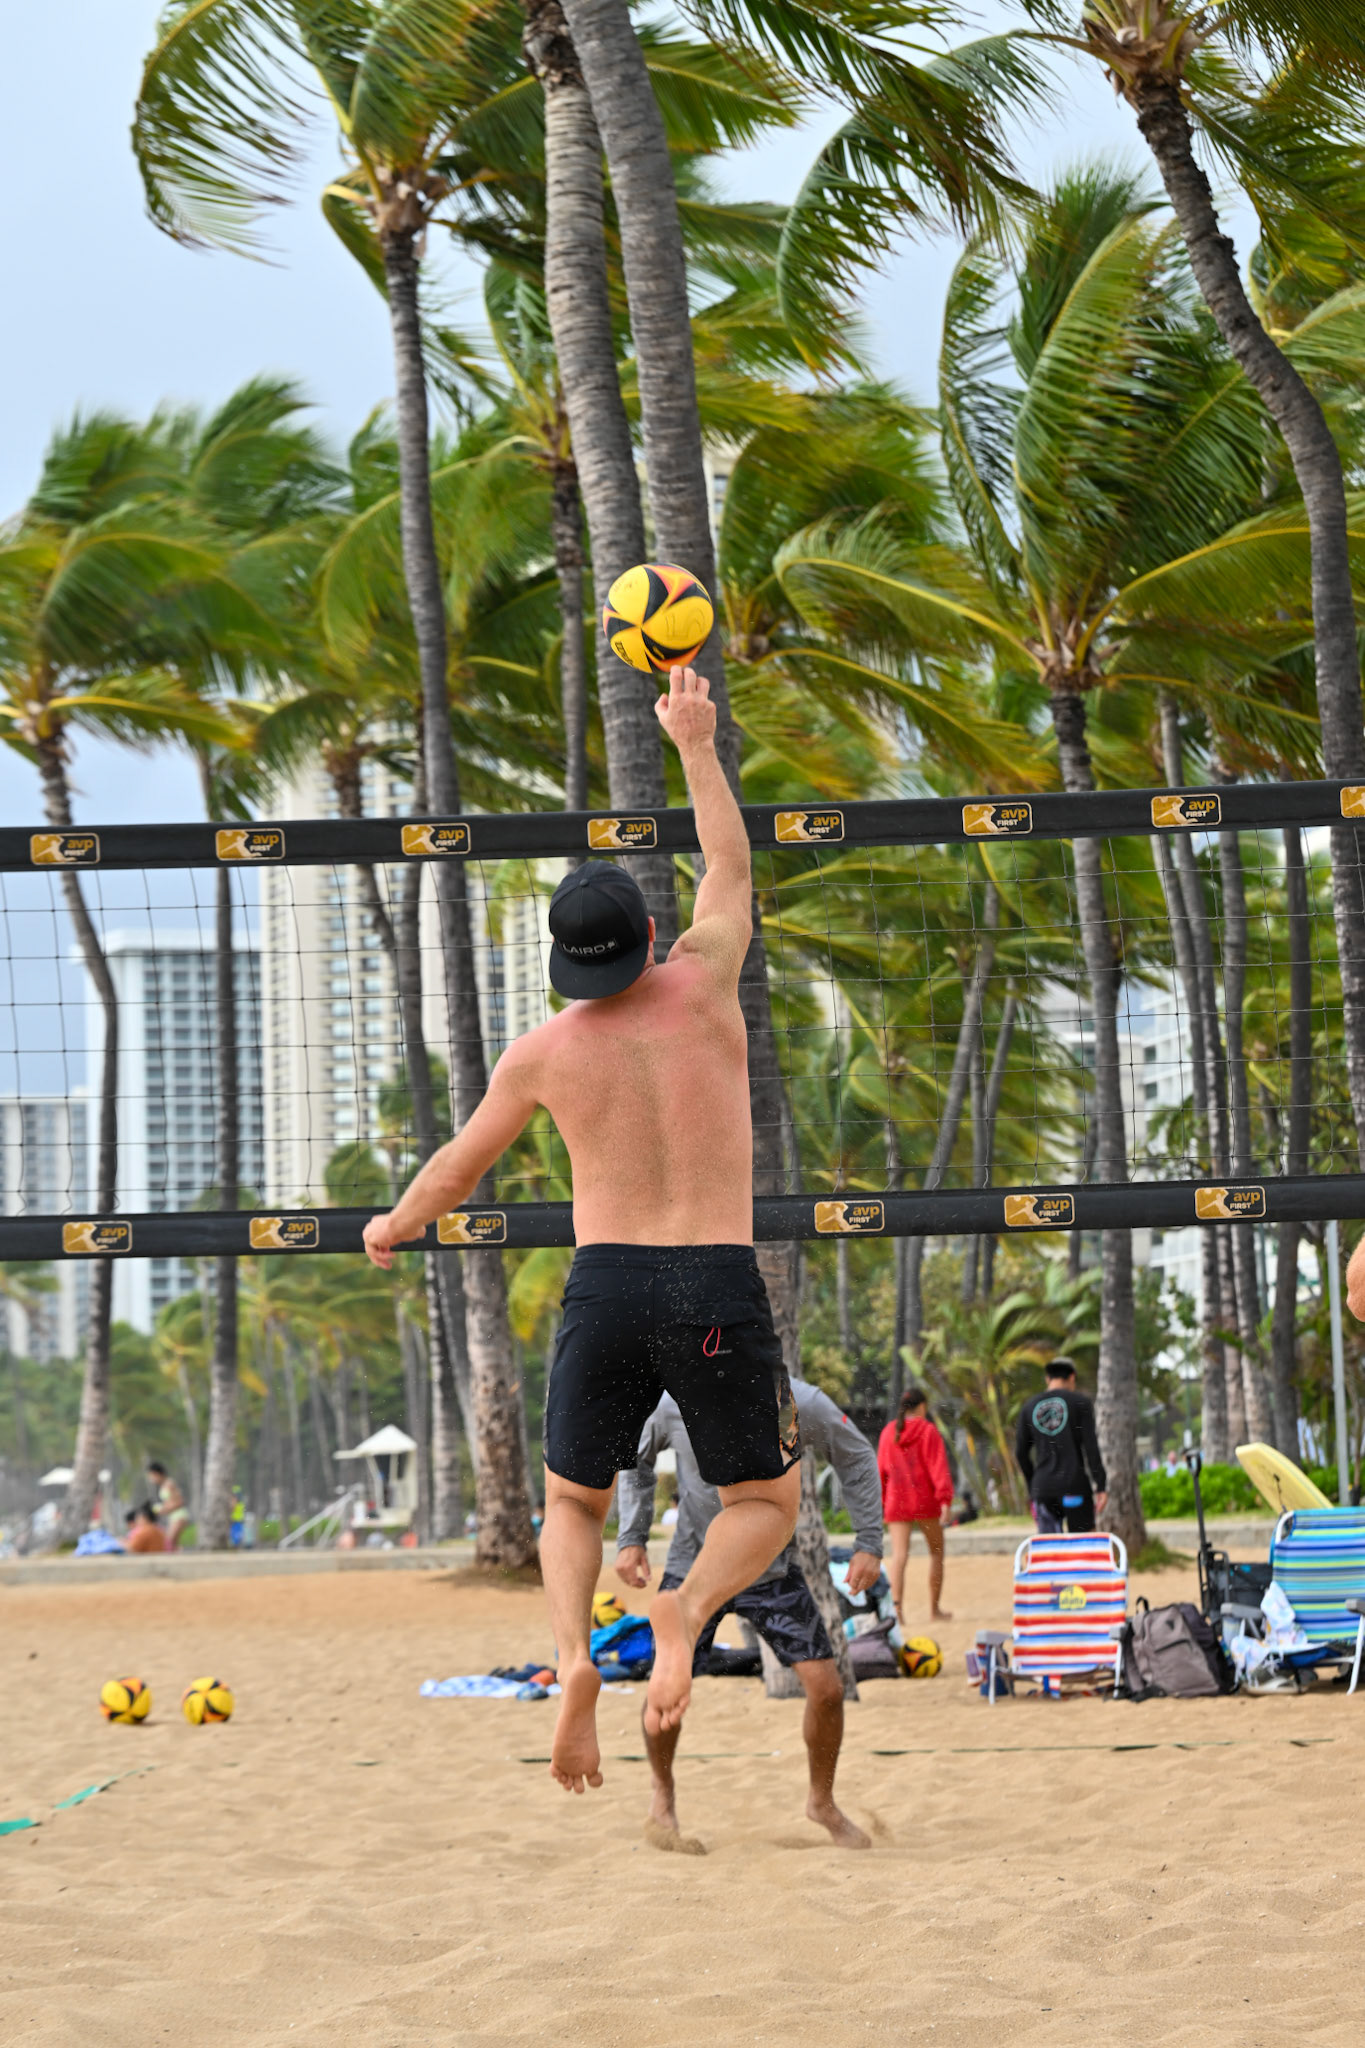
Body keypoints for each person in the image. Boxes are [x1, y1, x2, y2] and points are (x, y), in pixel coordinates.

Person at [362, 665, 801, 1796]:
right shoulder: (704, 981)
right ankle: (686, 1609)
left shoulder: (543, 1051)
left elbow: (458, 1167)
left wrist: (394, 1221)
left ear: (571, 962)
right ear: (652, 934)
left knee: (573, 1502)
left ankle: (570, 1657)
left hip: (605, 1288)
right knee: (761, 1503)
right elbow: (732, 866)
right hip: (713, 1280)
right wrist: (694, 741)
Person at [617, 1380, 884, 1853]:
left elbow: (857, 1453)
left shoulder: (796, 1400)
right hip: (692, 1565)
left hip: (771, 1567)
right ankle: (663, 1795)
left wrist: (869, 1541)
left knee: (827, 1690)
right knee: (666, 1686)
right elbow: (635, 1456)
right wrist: (631, 1536)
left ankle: (821, 1802)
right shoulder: (676, 1401)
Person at [877, 1386, 954, 1624]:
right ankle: (934, 1609)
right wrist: (945, 1499)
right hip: (924, 1501)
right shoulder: (929, 1431)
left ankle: (897, 1611)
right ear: (922, 1407)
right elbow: (937, 1467)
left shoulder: (889, 1432)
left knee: (898, 1557)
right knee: (937, 1553)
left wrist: (881, 1501)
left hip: (896, 1501)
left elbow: (880, 1471)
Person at [1015, 1358, 1108, 1533]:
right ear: (1072, 1377)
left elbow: (1021, 1453)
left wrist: (1032, 1486)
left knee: (1049, 1550)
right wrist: (1101, 1485)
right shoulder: (1080, 1402)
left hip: (1043, 1489)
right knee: (1083, 1546)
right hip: (1075, 1487)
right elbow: (1091, 1447)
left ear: (1047, 1379)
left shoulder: (1029, 1407)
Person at [146, 1462, 188, 1548]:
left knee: (169, 1542)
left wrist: (163, 1510)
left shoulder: (169, 1484)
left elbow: (180, 1502)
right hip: (173, 1517)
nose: (151, 1479)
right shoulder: (164, 1485)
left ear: (157, 1474)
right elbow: (169, 1502)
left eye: (151, 1476)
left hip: (179, 1516)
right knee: (173, 1543)